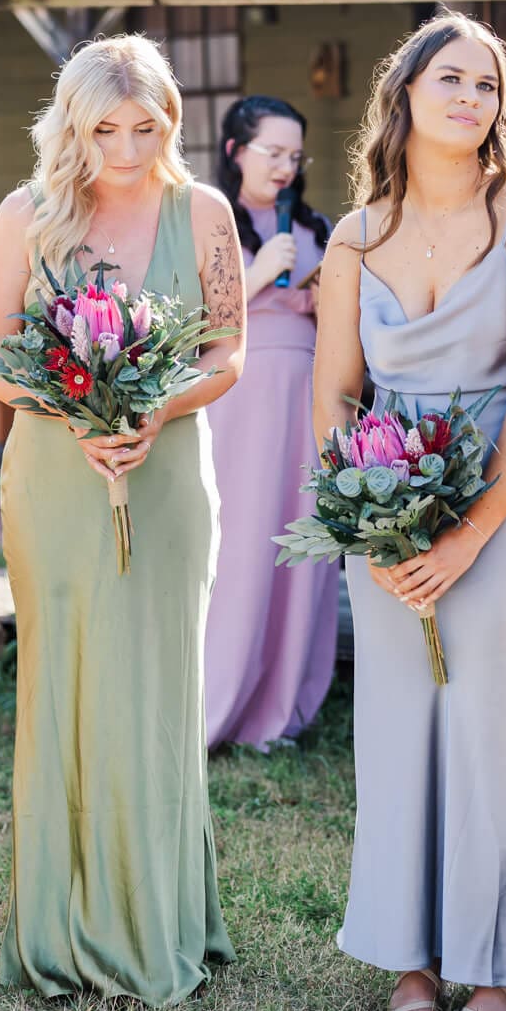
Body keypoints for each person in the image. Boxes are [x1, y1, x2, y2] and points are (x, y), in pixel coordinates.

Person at [314, 14, 506, 1011]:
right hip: (382, 497)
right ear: (405, 95)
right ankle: (412, 961)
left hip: (505, 496)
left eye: (487, 85)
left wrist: (467, 535)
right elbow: (336, 393)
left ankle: (501, 969)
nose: (471, 98)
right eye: (450, 79)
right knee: (398, 730)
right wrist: (368, 524)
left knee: (492, 729)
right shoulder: (354, 236)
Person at [0, 35, 246, 1006]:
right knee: (66, 683)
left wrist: (148, 413)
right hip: (54, 478)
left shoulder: (203, 212)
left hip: (165, 477)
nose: (126, 148)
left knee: (155, 689)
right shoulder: (27, 213)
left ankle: (160, 920)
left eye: (145, 126)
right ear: (71, 125)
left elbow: (226, 352)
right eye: (104, 128)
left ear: (169, 121)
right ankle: (61, 925)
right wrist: (75, 416)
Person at [202, 95, 340, 751]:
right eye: (272, 153)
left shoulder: (314, 226)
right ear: (235, 152)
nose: (285, 167)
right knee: (240, 546)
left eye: (294, 155)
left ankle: (281, 712)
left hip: (307, 400)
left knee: (300, 550)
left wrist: (321, 298)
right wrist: (258, 275)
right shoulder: (208, 221)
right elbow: (190, 322)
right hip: (239, 403)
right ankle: (219, 704)